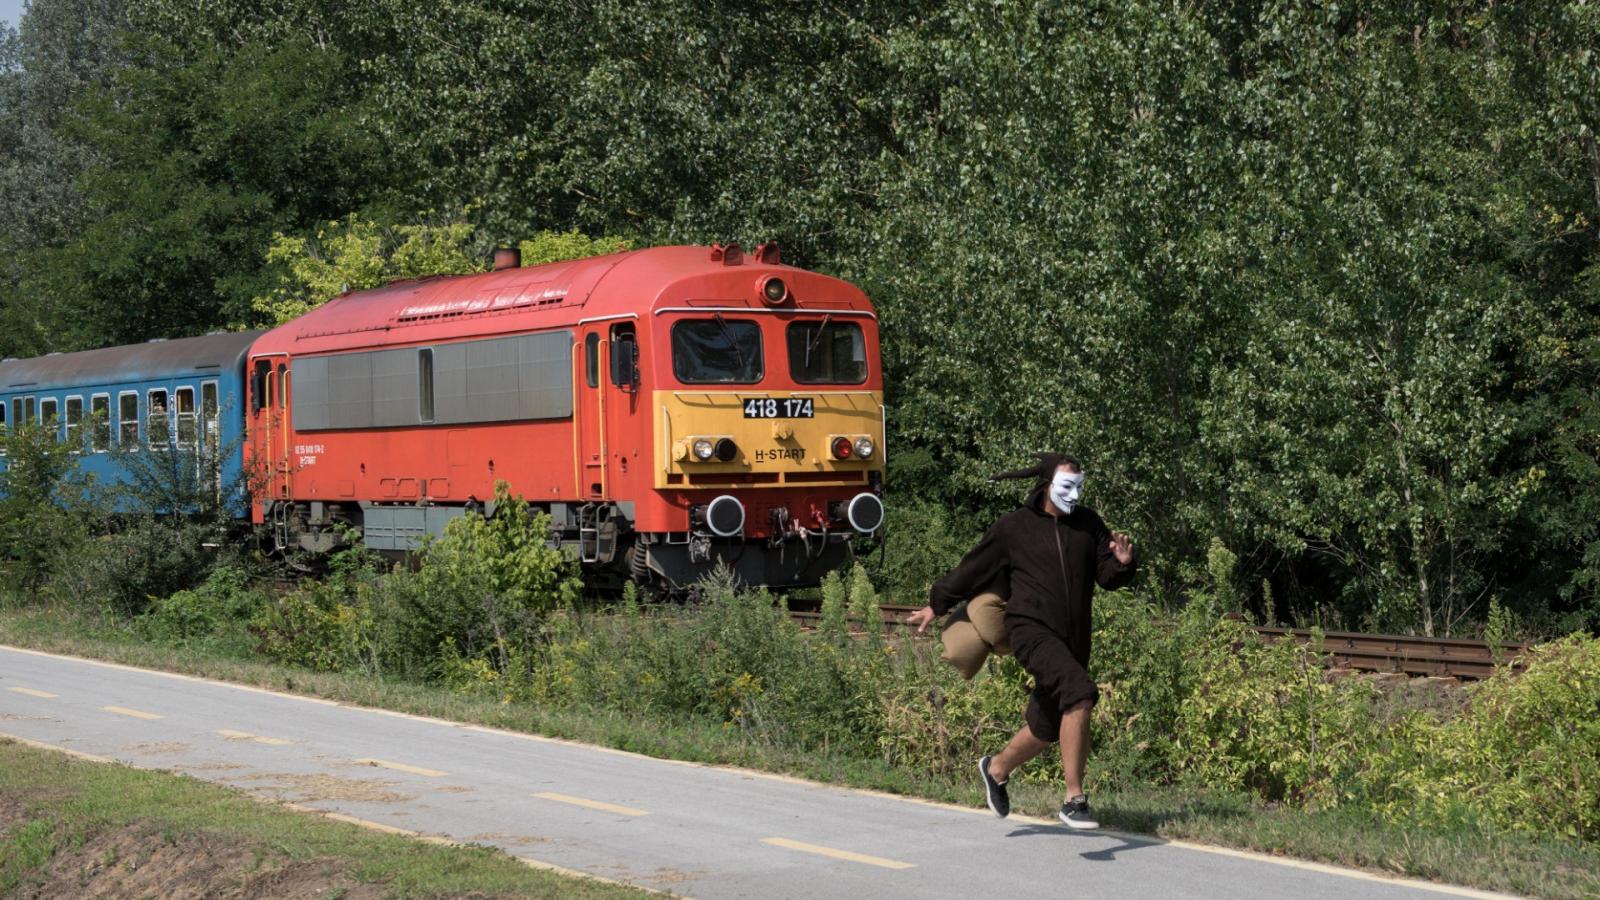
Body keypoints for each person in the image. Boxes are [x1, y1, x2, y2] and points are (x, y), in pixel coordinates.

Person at [907, 453, 1135, 829]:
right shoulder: (1015, 527)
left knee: (1047, 724)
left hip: (1075, 636)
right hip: (1030, 629)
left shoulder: (1089, 523)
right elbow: (973, 567)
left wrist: (1123, 563)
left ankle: (996, 769)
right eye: (1066, 486)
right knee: (1079, 693)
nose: (1074, 495)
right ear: (1046, 485)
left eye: (1079, 487)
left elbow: (1106, 576)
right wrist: (937, 603)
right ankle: (1074, 800)